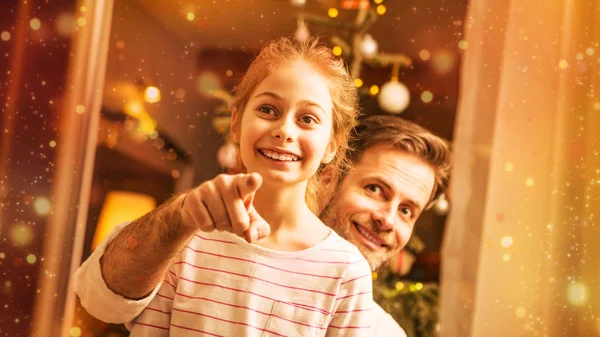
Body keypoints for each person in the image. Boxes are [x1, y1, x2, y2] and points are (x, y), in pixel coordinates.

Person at [77, 36, 374, 336]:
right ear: (236, 122)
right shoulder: (182, 236)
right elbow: (105, 304)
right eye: (268, 110)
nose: (284, 130)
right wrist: (179, 219)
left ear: (331, 146)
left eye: (307, 119)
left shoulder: (345, 272)